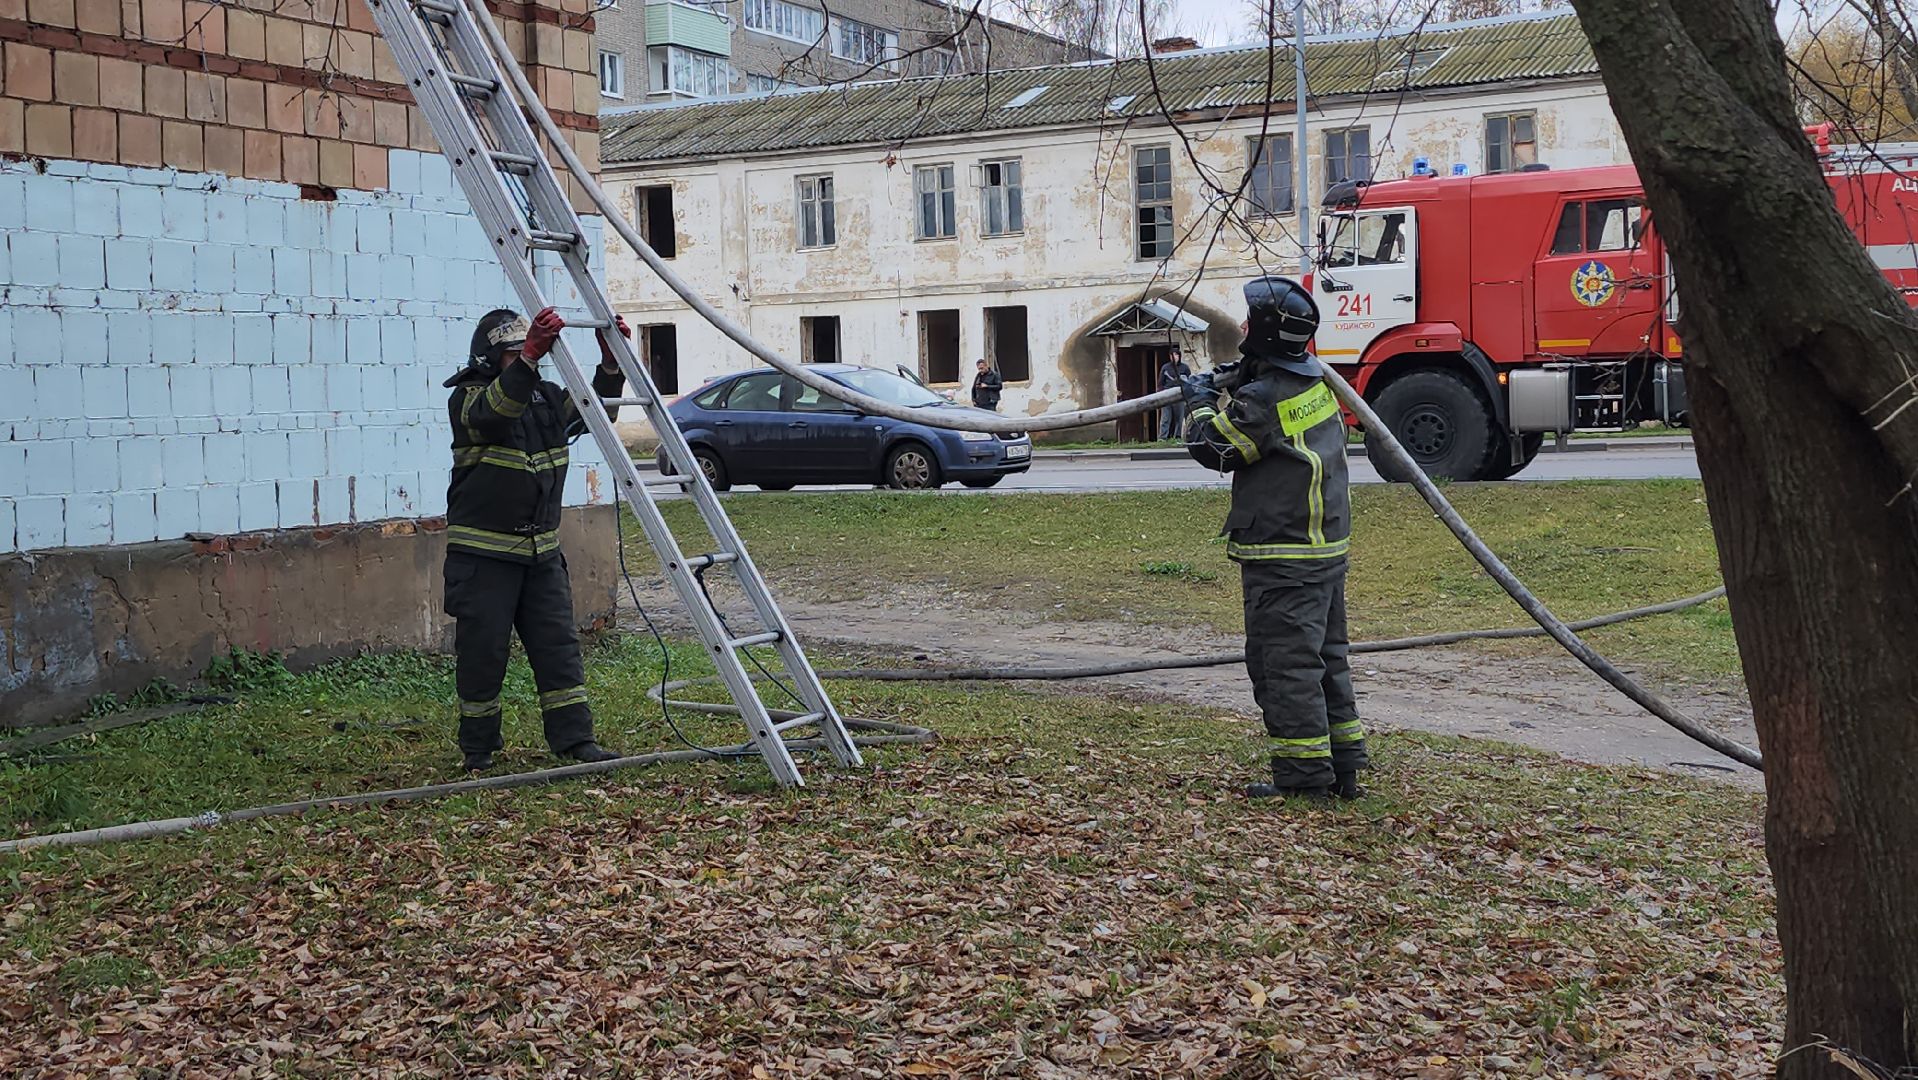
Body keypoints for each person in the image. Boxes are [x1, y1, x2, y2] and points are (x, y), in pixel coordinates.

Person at [1181, 277, 1369, 801]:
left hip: (1284, 559)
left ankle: (1304, 779)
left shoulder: (1264, 398)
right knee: (1326, 660)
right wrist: (1241, 375)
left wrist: (1198, 402)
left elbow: (1217, 449)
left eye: (1249, 322)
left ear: (1263, 333)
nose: (1242, 327)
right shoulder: (1311, 381)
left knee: (1284, 667)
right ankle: (1344, 766)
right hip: (1322, 553)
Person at [441, 306, 632, 772]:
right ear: (489, 359)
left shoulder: (544, 397)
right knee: (483, 652)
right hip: (484, 556)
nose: (526, 360)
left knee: (558, 647)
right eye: (512, 354)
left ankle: (575, 740)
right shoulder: (468, 400)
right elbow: (495, 413)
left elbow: (592, 414)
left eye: (525, 352)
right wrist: (528, 358)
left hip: (541, 553)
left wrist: (611, 365)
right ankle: (479, 748)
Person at [1156, 347, 1192, 440]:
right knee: (1165, 418)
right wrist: (1160, 395)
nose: (1174, 357)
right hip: (1167, 395)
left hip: (1179, 395)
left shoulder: (1185, 368)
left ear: (1179, 356)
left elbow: (1189, 382)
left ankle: (1177, 437)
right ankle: (1162, 438)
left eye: (1176, 355)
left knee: (1179, 418)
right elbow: (1160, 383)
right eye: (1172, 355)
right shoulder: (1165, 367)